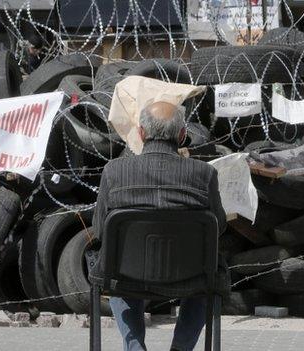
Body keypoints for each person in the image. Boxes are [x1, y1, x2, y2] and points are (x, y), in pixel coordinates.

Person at [92, 101, 227, 351]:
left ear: (141, 133)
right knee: (211, 270)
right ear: (182, 135)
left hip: (127, 277)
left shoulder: (114, 172)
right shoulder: (204, 174)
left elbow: (100, 229)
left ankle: (134, 347)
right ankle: (181, 348)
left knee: (112, 260)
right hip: (190, 278)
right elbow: (218, 228)